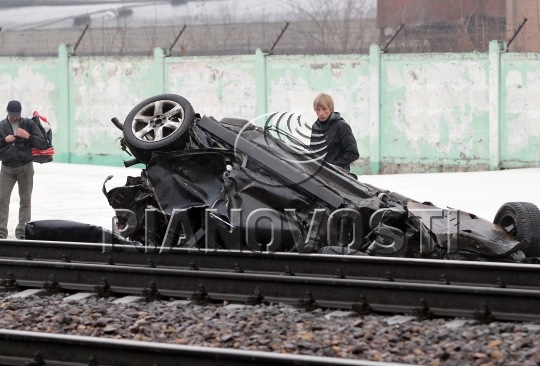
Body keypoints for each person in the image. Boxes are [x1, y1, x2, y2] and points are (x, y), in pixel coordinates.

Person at [0, 100, 47, 239]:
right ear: (7, 111)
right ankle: (1, 231)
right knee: (2, 199)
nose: (15, 117)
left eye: (17, 114)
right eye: (12, 114)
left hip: (25, 167)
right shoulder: (2, 126)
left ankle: (22, 231)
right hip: (6, 168)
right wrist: (4, 140)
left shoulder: (28, 124)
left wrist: (28, 136)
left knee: (25, 200)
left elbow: (42, 144)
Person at [310, 93, 359, 171]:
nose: (321, 113)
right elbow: (314, 152)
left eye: (324, 109)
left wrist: (333, 166)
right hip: (320, 175)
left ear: (331, 109)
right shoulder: (315, 126)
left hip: (339, 176)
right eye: (318, 109)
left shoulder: (342, 126)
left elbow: (353, 153)